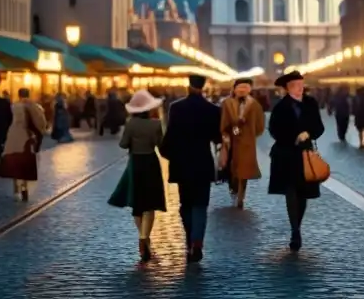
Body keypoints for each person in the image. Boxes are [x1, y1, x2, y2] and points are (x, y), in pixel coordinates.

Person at [159, 74, 221, 263]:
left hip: (182, 162)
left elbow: (169, 135)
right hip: (202, 161)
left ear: (188, 86)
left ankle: (189, 239)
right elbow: (217, 137)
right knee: (201, 205)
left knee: (185, 204)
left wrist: (167, 153)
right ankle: (197, 242)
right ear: (203, 87)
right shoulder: (213, 110)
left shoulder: (176, 108)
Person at [268, 70, 325, 251]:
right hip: (286, 155)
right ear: (287, 88)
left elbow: (319, 126)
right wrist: (294, 137)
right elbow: (274, 130)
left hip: (306, 155)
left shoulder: (310, 103)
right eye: (295, 86)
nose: (300, 89)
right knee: (291, 192)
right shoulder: (280, 107)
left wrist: (308, 133)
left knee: (303, 194)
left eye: (301, 85)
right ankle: (295, 231)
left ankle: (297, 226)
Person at [109, 89, 167, 263]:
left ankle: (143, 239)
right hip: (151, 162)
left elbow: (123, 144)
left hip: (135, 164)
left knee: (137, 203)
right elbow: (161, 145)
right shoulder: (156, 124)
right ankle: (145, 237)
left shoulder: (130, 124)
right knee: (150, 203)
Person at [221, 77, 265, 208]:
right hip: (231, 141)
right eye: (240, 88)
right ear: (234, 89)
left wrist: (250, 135)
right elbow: (223, 121)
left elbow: (260, 125)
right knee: (232, 168)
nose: (242, 90)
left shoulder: (255, 105)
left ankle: (241, 195)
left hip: (247, 143)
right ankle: (233, 188)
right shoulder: (227, 103)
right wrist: (226, 134)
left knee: (244, 171)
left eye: (245, 88)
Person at [0, 87, 47, 201]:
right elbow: (41, 123)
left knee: (14, 162)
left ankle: (16, 189)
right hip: (27, 138)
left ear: (19, 95)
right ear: (28, 94)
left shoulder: (13, 106)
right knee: (25, 164)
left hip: (13, 137)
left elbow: (6, 121)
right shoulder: (34, 106)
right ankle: (24, 188)